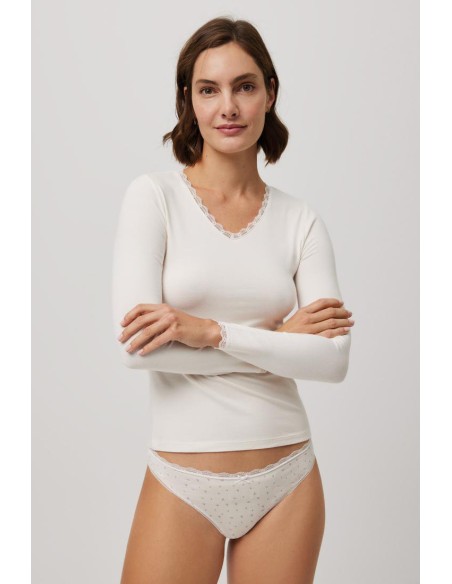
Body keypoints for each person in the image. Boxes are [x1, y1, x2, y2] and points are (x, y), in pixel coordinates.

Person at [112, 16, 354, 584]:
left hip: (287, 475)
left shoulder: (300, 220)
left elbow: (333, 360)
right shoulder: (154, 198)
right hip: (182, 476)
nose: (228, 107)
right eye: (209, 89)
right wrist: (278, 342)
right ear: (189, 101)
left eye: (244, 86)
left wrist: (209, 332)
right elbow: (137, 349)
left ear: (269, 92)